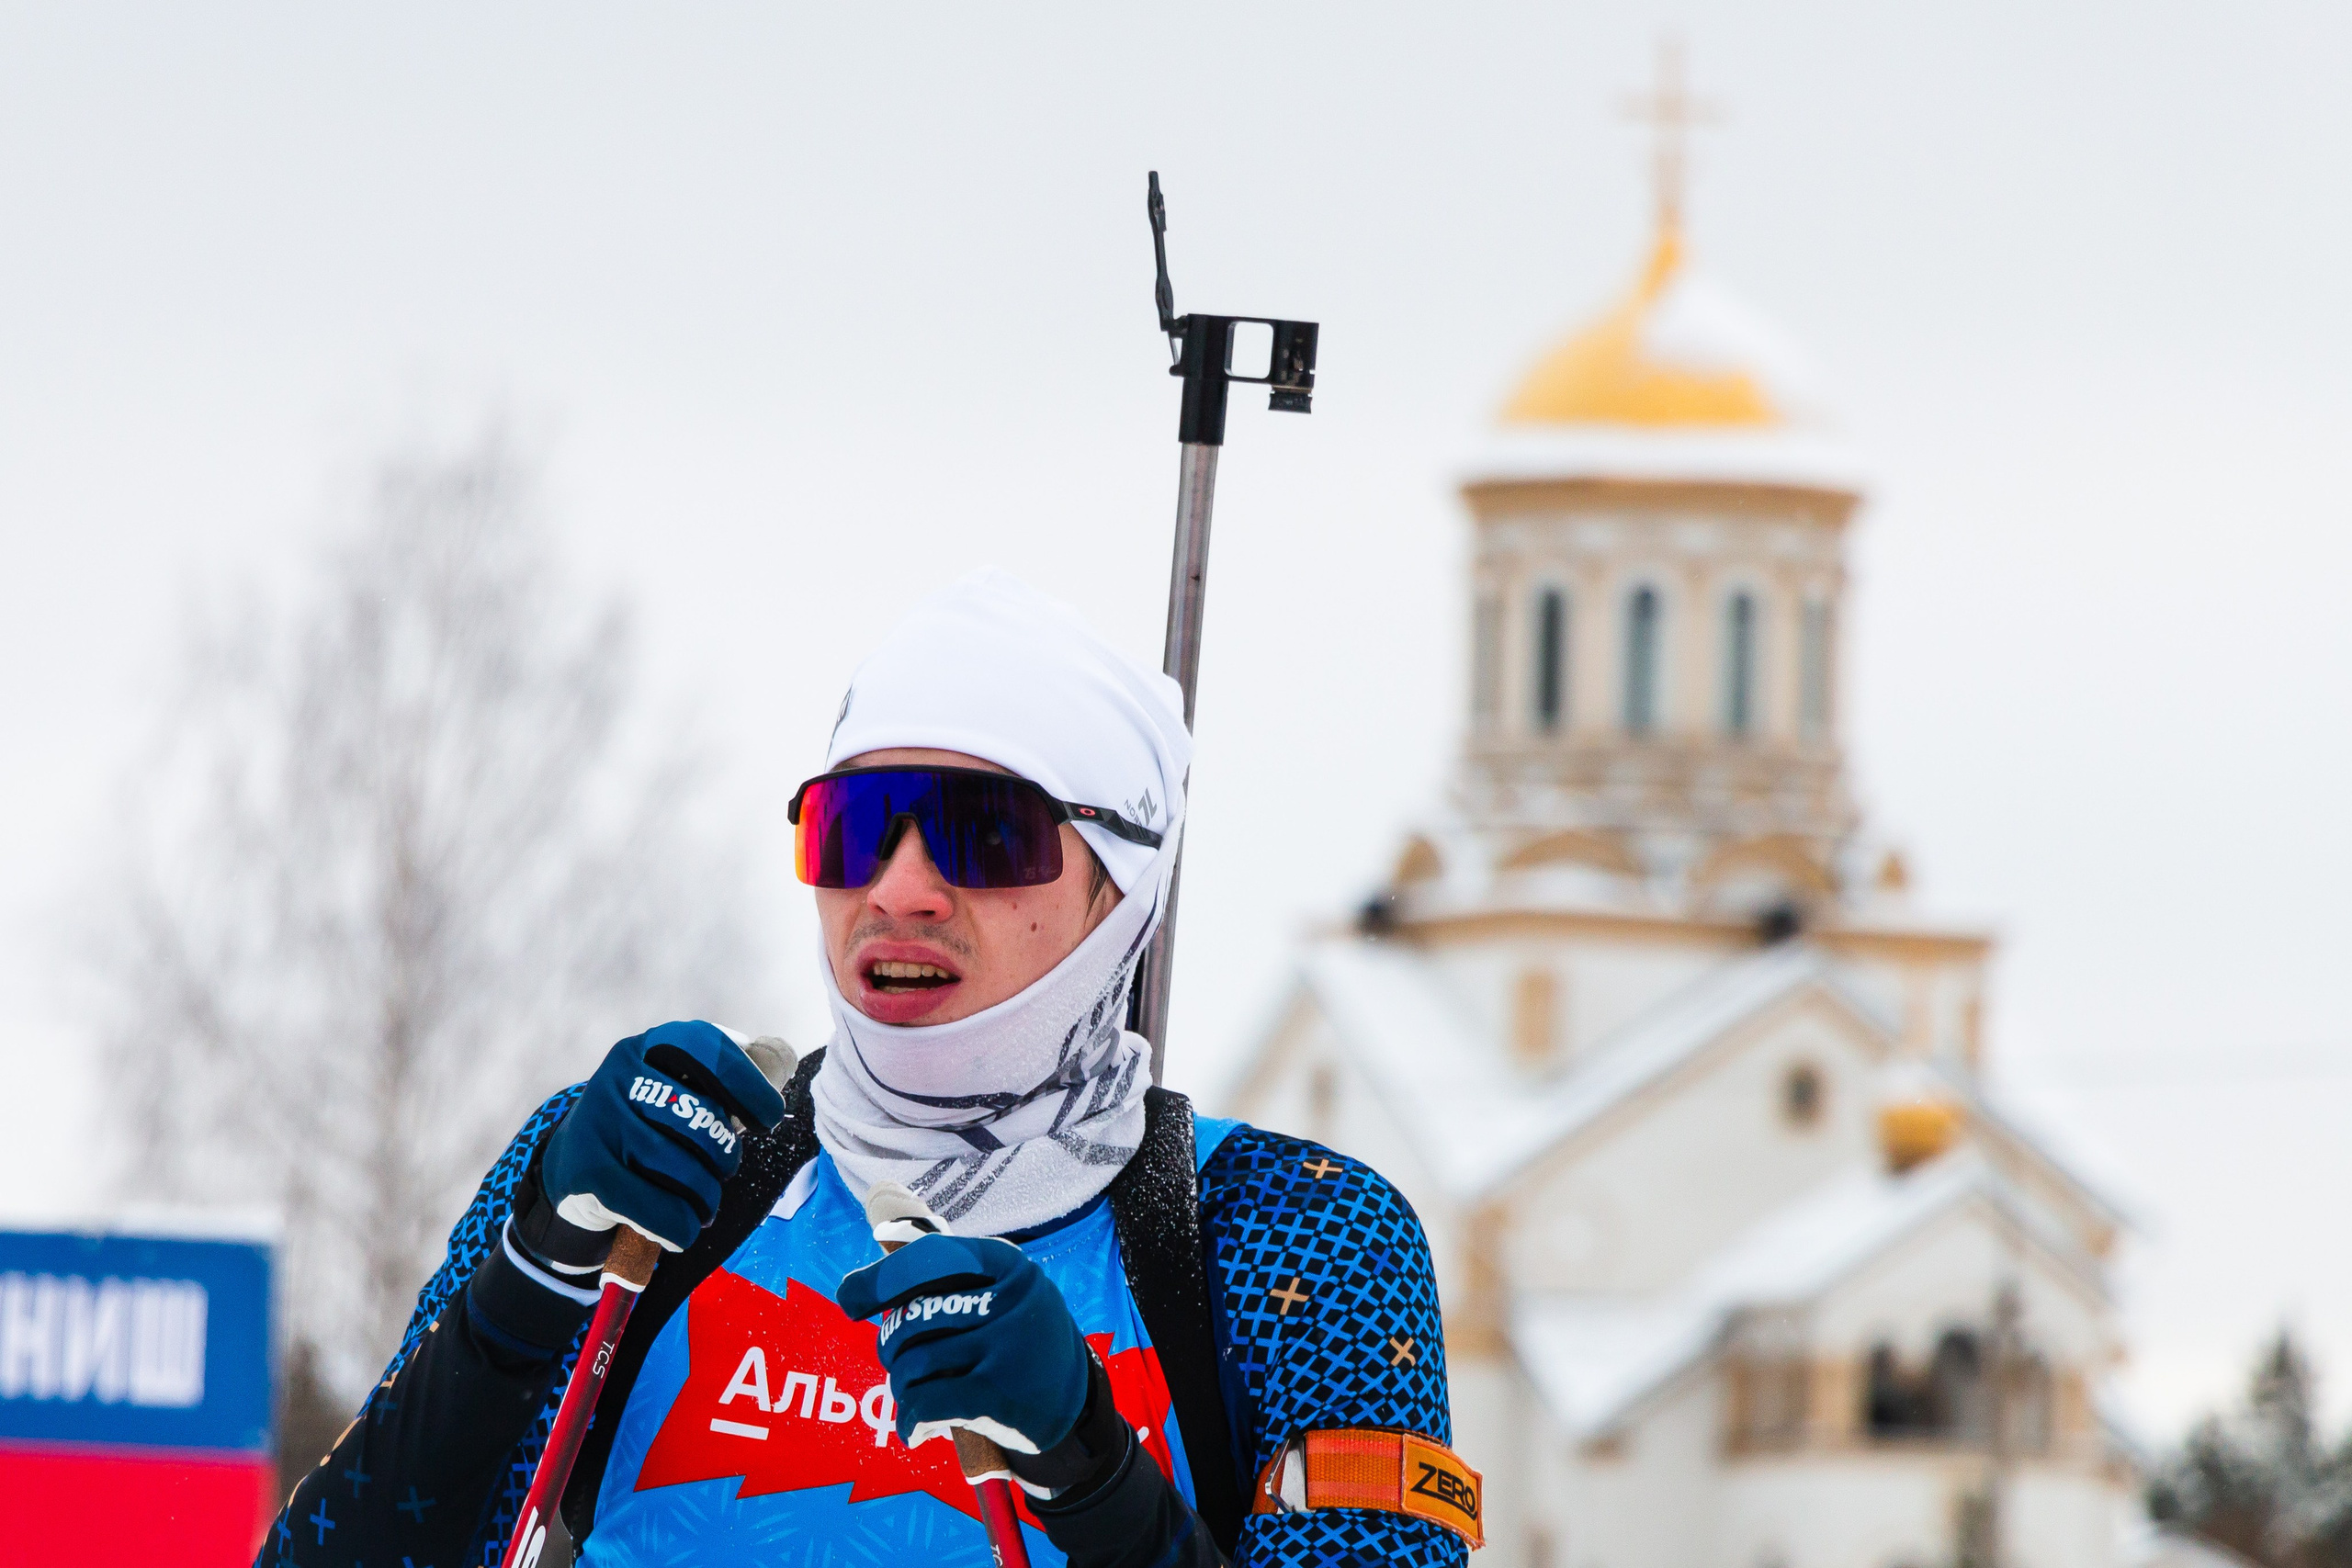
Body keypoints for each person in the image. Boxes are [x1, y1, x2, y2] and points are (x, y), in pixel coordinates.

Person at [262, 570, 1477, 1568]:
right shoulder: (664, 1182)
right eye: (855, 825)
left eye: (983, 832)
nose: (898, 890)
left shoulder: (1288, 1235)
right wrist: (531, 1280)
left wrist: (1093, 1474)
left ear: (1122, 891)